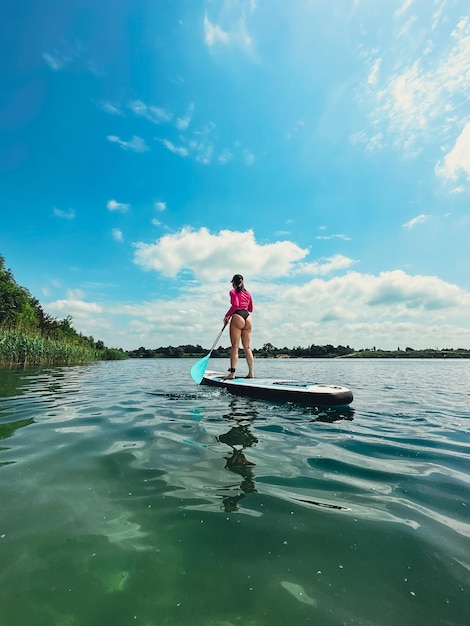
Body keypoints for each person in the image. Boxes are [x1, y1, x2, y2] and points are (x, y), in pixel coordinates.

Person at [223, 274, 254, 379]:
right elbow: (250, 308)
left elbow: (235, 305)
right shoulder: (248, 293)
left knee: (235, 347)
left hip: (237, 317)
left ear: (234, 283)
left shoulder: (233, 291)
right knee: (247, 347)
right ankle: (251, 373)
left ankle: (232, 373)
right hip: (248, 318)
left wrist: (227, 316)